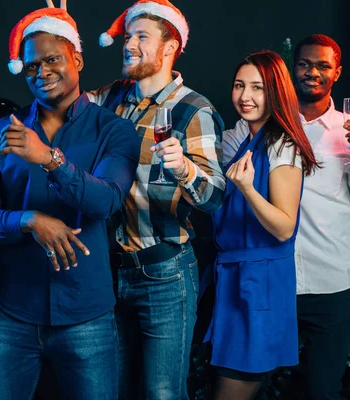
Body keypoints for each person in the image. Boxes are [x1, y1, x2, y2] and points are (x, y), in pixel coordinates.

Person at [0, 2, 140, 399]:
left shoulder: (114, 131)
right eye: (31, 66)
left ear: (76, 58)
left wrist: (48, 158)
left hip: (87, 316)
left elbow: (106, 202)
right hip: (12, 313)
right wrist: (28, 220)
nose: (42, 73)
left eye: (52, 60)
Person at [88, 1, 225, 398]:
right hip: (109, 272)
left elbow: (215, 197)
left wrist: (186, 170)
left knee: (162, 392)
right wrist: (63, 34)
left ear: (169, 48)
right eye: (127, 36)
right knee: (112, 388)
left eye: (141, 36)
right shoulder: (111, 98)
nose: (128, 43)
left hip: (164, 272)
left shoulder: (192, 108)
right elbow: (63, 101)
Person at [207, 50, 319, 399]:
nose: (245, 96)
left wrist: (246, 189)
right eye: (239, 85)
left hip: (259, 286)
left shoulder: (282, 143)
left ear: (276, 92)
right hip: (238, 281)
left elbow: (285, 227)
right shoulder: (247, 139)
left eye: (258, 87)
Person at [293, 34, 350, 399]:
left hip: (333, 281)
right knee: (257, 381)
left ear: (337, 72)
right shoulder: (273, 125)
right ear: (294, 68)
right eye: (305, 64)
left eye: (322, 65)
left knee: (323, 389)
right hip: (278, 280)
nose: (313, 72)